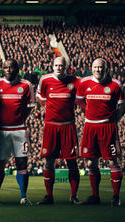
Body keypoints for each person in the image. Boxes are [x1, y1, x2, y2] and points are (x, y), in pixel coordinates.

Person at [76, 58, 124, 206]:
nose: (98, 70)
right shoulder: (84, 83)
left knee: (112, 160)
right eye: (95, 67)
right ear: (92, 68)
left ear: (106, 68)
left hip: (107, 127)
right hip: (90, 126)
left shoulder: (116, 84)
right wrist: (89, 111)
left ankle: (116, 197)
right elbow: (78, 100)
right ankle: (95, 196)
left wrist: (114, 120)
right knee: (91, 162)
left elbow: (122, 106)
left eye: (100, 67)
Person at [36, 56, 81, 205]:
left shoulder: (75, 81)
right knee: (49, 160)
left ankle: (73, 196)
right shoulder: (45, 80)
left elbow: (82, 97)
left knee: (72, 162)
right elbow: (39, 96)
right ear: (52, 66)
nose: (58, 67)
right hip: (50, 126)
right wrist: (46, 108)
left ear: (66, 66)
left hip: (68, 126)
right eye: (56, 65)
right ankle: (49, 196)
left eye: (61, 65)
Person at [0, 59, 35, 205]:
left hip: (19, 130)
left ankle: (23, 197)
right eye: (5, 67)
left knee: (22, 163)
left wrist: (19, 119)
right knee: (0, 164)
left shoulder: (26, 85)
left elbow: (29, 107)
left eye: (11, 67)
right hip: (1, 130)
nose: (8, 70)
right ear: (2, 69)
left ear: (17, 69)